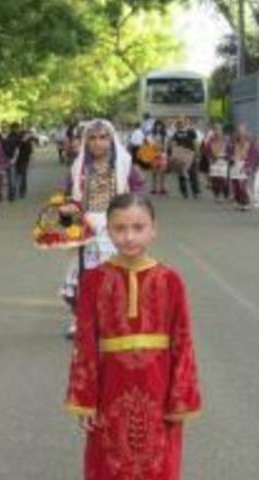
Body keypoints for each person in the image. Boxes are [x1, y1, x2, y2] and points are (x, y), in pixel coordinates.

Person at [65, 193, 202, 480]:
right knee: (108, 464)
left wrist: (180, 398)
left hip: (159, 392)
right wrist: (85, 399)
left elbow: (183, 342)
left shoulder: (171, 281)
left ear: (154, 229)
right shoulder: (94, 280)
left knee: (158, 466)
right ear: (107, 231)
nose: (129, 237)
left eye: (138, 228)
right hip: (109, 392)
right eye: (120, 228)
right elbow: (85, 344)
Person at [60, 119, 144, 338]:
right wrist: (68, 210)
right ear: (86, 142)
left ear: (111, 139)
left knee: (117, 275)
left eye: (103, 137)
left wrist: (130, 217)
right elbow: (68, 197)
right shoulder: (78, 168)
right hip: (86, 227)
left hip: (116, 226)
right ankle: (80, 320)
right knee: (84, 275)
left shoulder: (125, 165)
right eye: (93, 138)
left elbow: (138, 193)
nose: (98, 143)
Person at [167, 118, 200, 199]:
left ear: (185, 123)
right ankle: (184, 192)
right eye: (178, 123)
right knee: (182, 174)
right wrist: (174, 155)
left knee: (193, 174)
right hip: (181, 156)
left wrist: (197, 154)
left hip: (190, 154)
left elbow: (195, 143)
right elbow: (173, 144)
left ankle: (195, 191)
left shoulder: (191, 131)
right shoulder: (176, 133)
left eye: (181, 123)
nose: (180, 124)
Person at [229, 123, 258, 210]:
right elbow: (228, 153)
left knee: (244, 185)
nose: (241, 133)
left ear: (246, 132)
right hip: (235, 165)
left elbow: (253, 156)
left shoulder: (250, 144)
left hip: (245, 166)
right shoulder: (233, 143)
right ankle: (239, 202)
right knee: (236, 185)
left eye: (242, 131)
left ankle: (246, 202)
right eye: (239, 131)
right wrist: (231, 157)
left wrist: (248, 165)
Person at [205, 125, 231, 202]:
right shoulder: (211, 140)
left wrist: (228, 157)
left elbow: (230, 150)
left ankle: (226, 195)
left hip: (224, 161)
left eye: (219, 130)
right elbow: (207, 151)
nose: (217, 132)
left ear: (222, 131)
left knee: (224, 179)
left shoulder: (226, 140)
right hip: (214, 161)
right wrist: (210, 157)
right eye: (216, 130)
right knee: (215, 180)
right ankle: (217, 196)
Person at [15, 127, 38, 199]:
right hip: (17, 161)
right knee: (19, 176)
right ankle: (20, 191)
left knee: (23, 176)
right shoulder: (19, 141)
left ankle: (22, 191)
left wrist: (31, 160)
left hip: (23, 161)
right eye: (25, 135)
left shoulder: (27, 143)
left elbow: (30, 152)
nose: (26, 136)